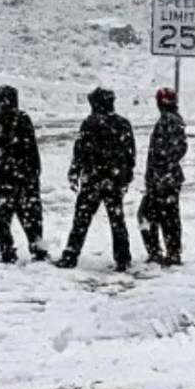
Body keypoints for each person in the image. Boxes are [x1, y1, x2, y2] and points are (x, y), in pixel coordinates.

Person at [56, 87, 135, 271]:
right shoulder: (123, 124)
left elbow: (80, 151)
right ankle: (122, 257)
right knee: (117, 220)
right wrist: (125, 177)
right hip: (113, 180)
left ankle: (70, 255)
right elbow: (129, 155)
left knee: (81, 219)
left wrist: (74, 172)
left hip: (93, 178)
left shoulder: (89, 123)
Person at [0, 85, 47, 264]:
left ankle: (7, 250)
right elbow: (32, 147)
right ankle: (37, 246)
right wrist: (34, 170)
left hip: (3, 177)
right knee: (31, 214)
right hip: (25, 177)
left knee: (4, 215)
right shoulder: (22, 119)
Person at [140, 87, 188, 266]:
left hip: (162, 179)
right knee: (170, 217)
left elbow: (167, 152)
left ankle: (157, 252)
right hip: (170, 178)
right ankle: (172, 252)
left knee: (147, 215)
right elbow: (178, 149)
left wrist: (159, 174)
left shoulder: (167, 121)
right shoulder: (175, 120)